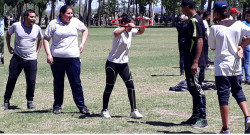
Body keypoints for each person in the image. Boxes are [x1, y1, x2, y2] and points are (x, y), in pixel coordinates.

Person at [208, 1, 250, 133]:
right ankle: (248, 117)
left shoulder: (215, 28)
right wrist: (241, 46)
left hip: (222, 67)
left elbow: (213, 47)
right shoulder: (238, 24)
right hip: (236, 65)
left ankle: (225, 128)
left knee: (223, 96)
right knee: (238, 91)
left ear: (216, 13)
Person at [100, 13, 149, 119]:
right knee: (109, 86)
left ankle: (134, 110)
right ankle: (104, 110)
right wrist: (126, 27)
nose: (133, 26)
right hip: (112, 63)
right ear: (124, 23)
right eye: (131, 24)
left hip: (124, 64)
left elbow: (141, 31)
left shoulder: (130, 32)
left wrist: (143, 22)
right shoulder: (118, 30)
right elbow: (116, 33)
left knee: (130, 85)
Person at [43, 5, 89, 115]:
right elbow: (46, 39)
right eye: (68, 13)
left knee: (76, 83)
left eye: (71, 13)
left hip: (73, 58)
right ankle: (57, 106)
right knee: (58, 83)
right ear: (62, 14)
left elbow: (85, 30)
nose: (70, 16)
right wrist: (49, 54)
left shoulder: (75, 22)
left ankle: (82, 106)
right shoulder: (53, 24)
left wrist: (82, 43)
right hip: (57, 59)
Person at [4, 9, 43, 110]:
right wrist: (9, 47)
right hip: (17, 57)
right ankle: (6, 101)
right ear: (25, 17)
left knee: (31, 81)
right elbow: (8, 34)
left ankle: (30, 101)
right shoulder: (16, 25)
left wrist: (37, 51)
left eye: (35, 17)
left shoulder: (37, 28)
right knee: (12, 78)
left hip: (31, 59)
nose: (34, 19)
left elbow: (40, 39)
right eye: (31, 17)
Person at [180, 0, 208, 128]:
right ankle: (195, 116)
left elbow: (200, 40)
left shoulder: (195, 21)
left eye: (181, 7)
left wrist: (195, 61)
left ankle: (202, 118)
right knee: (192, 89)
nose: (181, 9)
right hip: (189, 61)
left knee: (197, 89)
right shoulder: (192, 20)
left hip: (195, 62)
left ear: (186, 7)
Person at [241, 9, 250, 85]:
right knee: (246, 62)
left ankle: (241, 77)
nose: (248, 17)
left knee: (244, 63)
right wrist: (245, 37)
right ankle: (247, 78)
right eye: (247, 15)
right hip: (246, 44)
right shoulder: (243, 23)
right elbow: (241, 33)